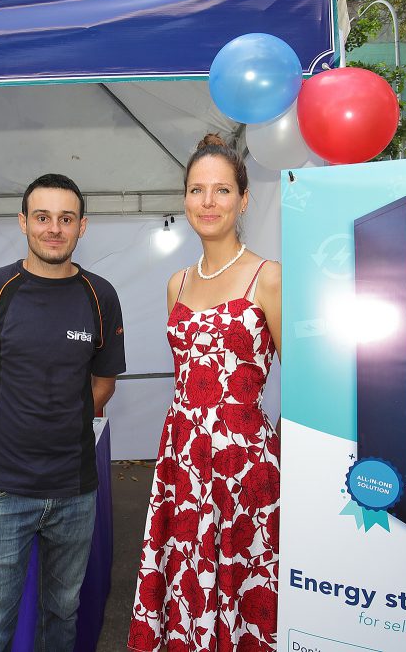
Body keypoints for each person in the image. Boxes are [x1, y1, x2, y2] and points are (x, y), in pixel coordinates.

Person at [0, 173, 126, 652]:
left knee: (61, 617)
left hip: (74, 491)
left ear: (82, 226)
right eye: (43, 217)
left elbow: (103, 384)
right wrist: (12, 432)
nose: (54, 228)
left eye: (65, 219)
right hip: (3, 491)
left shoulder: (101, 295)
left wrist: (62, 424)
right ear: (23, 222)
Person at [128, 134, 282, 651]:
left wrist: (274, 459)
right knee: (190, 585)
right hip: (183, 461)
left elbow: (304, 380)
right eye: (197, 190)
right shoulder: (177, 283)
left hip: (246, 465)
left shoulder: (269, 278)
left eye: (221, 190)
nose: (208, 202)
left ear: (243, 198)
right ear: (185, 198)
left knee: (248, 594)